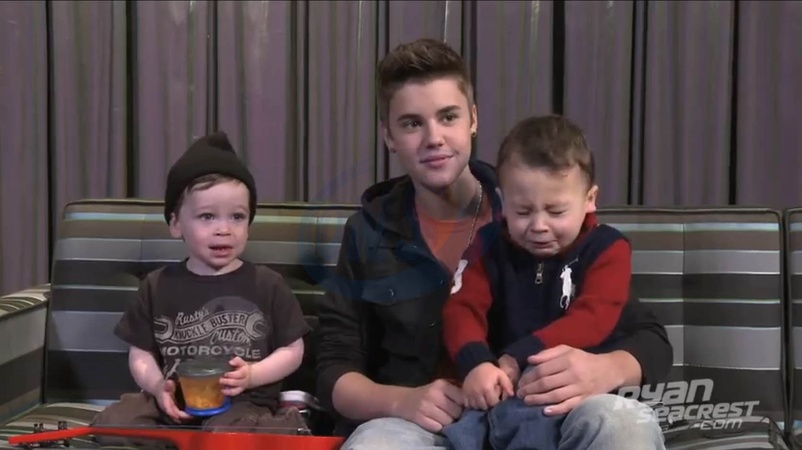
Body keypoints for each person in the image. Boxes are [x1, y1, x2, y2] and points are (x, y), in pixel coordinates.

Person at [315, 38, 672, 449]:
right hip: (427, 425)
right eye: (412, 124)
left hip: (548, 411)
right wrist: (400, 401)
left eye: (448, 116)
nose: (434, 137)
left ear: (473, 118)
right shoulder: (368, 231)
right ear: (389, 136)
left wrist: (605, 369)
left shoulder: (534, 202)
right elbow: (333, 367)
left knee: (623, 424)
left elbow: (649, 339)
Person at [91, 132, 312, 445]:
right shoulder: (157, 285)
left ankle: (286, 424)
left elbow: (293, 350)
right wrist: (157, 386)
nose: (223, 229)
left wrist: (253, 375)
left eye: (237, 216)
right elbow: (140, 354)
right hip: (174, 402)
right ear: (175, 224)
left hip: (241, 404)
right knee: (113, 424)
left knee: (227, 437)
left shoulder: (268, 284)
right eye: (207, 216)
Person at [440, 114, 639, 450]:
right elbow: (461, 308)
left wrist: (520, 355)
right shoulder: (488, 245)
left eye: (556, 211)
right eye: (522, 211)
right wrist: (476, 363)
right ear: (503, 202)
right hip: (499, 394)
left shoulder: (608, 249)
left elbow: (594, 317)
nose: (539, 225)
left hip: (574, 398)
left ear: (590, 199)